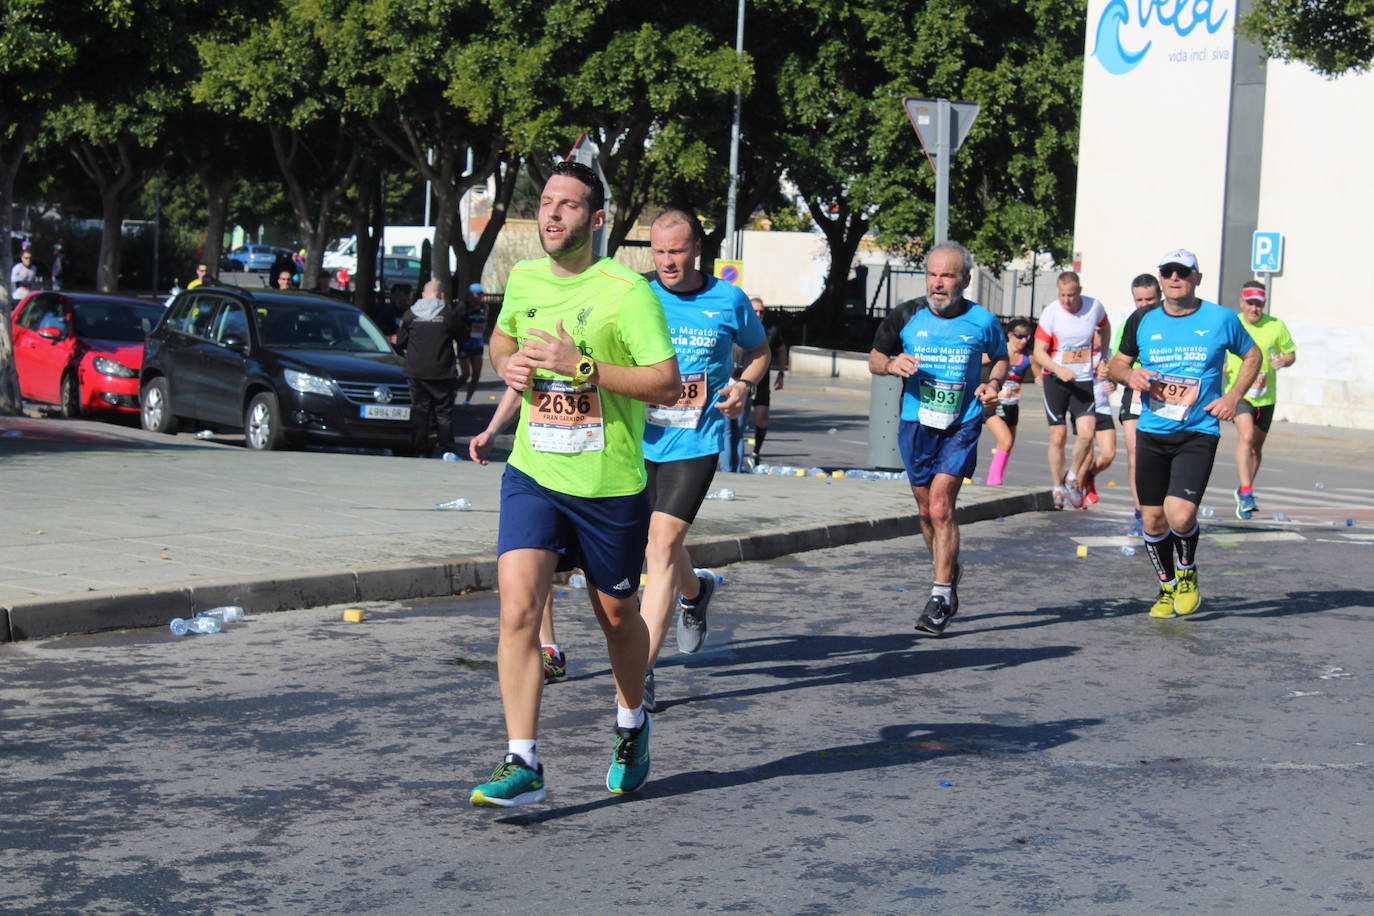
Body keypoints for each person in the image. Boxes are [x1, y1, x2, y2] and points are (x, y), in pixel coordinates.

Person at [468, 160, 679, 808]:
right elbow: (501, 346)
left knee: (618, 619)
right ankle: (523, 761)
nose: (553, 213)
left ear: (596, 219)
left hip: (609, 484)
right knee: (518, 609)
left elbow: (666, 383)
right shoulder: (524, 278)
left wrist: (579, 364)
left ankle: (631, 720)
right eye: (547, 202)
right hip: (535, 472)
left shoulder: (626, 292)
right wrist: (515, 362)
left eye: (568, 204)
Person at [639, 209, 769, 711]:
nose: (668, 262)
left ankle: (641, 670)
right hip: (638, 439)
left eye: (677, 250)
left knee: (663, 543)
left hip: (697, 440)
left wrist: (743, 385)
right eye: (659, 251)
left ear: (696, 249)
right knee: (655, 548)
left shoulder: (728, 299)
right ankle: (696, 592)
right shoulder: (638, 293)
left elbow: (758, 350)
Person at [1106, 249, 1259, 619]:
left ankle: (1187, 572)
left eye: (1183, 272)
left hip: (1197, 431)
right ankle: (1166, 586)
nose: (1175, 278)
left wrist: (1232, 397)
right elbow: (1116, 364)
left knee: (1179, 515)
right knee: (1152, 519)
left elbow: (1253, 356)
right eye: (1168, 272)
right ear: (1160, 278)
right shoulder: (1142, 319)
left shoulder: (1220, 318)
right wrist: (1131, 376)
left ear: (1197, 278)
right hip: (1152, 432)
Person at [868, 242, 1007, 635]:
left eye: (947, 275)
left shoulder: (982, 321)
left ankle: (941, 594)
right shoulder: (907, 315)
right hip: (916, 423)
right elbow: (875, 358)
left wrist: (993, 383)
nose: (938, 283)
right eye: (932, 274)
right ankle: (946, 568)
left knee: (943, 506)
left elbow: (1001, 357)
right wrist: (893, 363)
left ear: (965, 279)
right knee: (925, 508)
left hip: (961, 422)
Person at [471, 385, 566, 684]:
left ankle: (635, 665)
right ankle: (547, 648)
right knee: (534, 561)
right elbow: (519, 382)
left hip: (598, 472)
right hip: (536, 469)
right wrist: (492, 431)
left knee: (614, 606)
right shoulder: (533, 340)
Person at [1033, 271, 1111, 509]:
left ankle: (1073, 476)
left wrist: (1103, 358)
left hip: (1084, 379)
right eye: (1063, 295)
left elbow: (1105, 328)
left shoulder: (1094, 307)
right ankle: (1057, 486)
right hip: (1055, 381)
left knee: (1086, 434)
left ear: (1080, 290)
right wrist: (1059, 369)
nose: (1067, 300)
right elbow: (1038, 352)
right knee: (1058, 436)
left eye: (1072, 294)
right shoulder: (1051, 313)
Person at [1225, 280, 1297, 520]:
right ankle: (1246, 492)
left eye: (1259, 304)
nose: (1254, 309)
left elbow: (1290, 353)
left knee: (1256, 446)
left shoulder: (1276, 326)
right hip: (1240, 392)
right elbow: (1217, 347)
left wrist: (1284, 361)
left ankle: (1245, 488)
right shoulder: (1232, 323)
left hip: (1265, 396)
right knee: (1246, 437)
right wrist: (1220, 364)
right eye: (1250, 303)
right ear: (1241, 302)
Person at [1112, 274, 1162, 536]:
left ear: (1160, 297)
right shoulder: (1130, 323)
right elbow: (1117, 363)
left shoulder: (1170, 322)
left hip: (1168, 398)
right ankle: (1141, 512)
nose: (1144, 305)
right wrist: (1113, 375)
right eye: (1138, 300)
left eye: (1150, 299)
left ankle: (1160, 509)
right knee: (1136, 453)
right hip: (1135, 394)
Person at [394, 279, 461, 459]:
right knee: (444, 412)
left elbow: (400, 342)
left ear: (423, 295)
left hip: (416, 371)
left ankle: (420, 449)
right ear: (441, 295)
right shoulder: (447, 314)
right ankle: (448, 450)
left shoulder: (410, 315)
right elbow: (463, 335)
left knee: (420, 411)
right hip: (442, 371)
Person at [983, 318, 1035, 486]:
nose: (1023, 341)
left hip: (1012, 405)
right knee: (1005, 440)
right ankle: (994, 481)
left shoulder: (1028, 356)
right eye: (1019, 336)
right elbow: (973, 361)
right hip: (993, 405)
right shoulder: (999, 352)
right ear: (1010, 335)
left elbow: (1041, 373)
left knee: (1007, 444)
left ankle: (995, 477)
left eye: (1027, 337)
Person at [746, 296, 788, 463]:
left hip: (762, 382)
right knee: (736, 423)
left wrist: (781, 373)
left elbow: (782, 350)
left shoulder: (771, 331)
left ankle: (756, 452)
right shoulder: (741, 328)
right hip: (742, 381)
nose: (758, 314)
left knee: (762, 419)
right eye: (755, 311)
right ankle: (731, 454)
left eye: (761, 312)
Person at [457, 282, 488, 407]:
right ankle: (450, 392)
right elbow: (455, 321)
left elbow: (485, 322)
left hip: (478, 343)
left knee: (476, 374)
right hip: (465, 343)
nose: (480, 296)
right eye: (478, 294)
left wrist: (486, 330)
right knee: (466, 374)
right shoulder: (463, 306)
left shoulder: (484, 307)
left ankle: (467, 400)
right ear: (471, 295)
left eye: (481, 293)